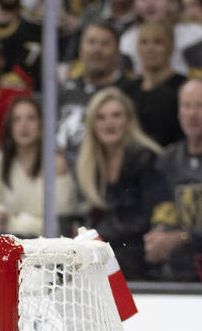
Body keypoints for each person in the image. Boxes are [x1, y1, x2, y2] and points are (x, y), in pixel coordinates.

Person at [75, 86, 175, 278]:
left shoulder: (147, 159)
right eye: (101, 117)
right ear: (92, 125)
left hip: (139, 256)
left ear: (128, 120)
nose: (109, 123)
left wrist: (94, 238)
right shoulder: (89, 166)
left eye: (116, 115)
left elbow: (142, 221)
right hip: (105, 253)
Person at [0, 96, 79, 237]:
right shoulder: (0, 162)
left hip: (49, 247)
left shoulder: (56, 163)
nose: (24, 125)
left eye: (30, 118)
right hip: (11, 244)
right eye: (17, 119)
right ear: (10, 127)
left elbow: (60, 225)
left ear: (41, 125)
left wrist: (14, 223)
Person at [145, 78, 202, 281]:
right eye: (187, 106)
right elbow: (162, 206)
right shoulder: (167, 159)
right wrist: (159, 233)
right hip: (179, 266)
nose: (193, 113)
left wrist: (183, 237)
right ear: (179, 112)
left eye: (200, 105)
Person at [55, 21, 129, 159]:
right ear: (80, 49)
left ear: (117, 52)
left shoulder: (128, 94)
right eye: (91, 42)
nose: (97, 49)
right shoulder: (62, 93)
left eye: (105, 43)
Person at [119, 20, 186, 149]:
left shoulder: (183, 88)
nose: (150, 48)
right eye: (144, 42)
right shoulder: (127, 90)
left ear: (170, 47)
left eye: (158, 42)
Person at [119, 0, 202, 76]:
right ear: (134, 4)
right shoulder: (127, 39)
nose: (150, 3)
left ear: (171, 2)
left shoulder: (194, 33)